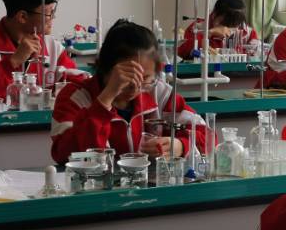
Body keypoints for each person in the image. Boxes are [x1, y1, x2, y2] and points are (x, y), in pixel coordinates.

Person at [51, 19, 209, 164]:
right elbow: (63, 154)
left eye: (145, 78)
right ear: (106, 68)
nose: (136, 87)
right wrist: (105, 99)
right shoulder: (75, 97)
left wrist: (180, 145)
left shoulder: (159, 94)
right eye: (127, 77)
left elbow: (207, 136)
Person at [177, 0, 259, 59]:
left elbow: (257, 58)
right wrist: (209, 33)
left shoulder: (248, 34)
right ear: (214, 14)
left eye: (234, 25)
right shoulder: (196, 28)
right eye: (224, 23)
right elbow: (181, 52)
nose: (227, 29)